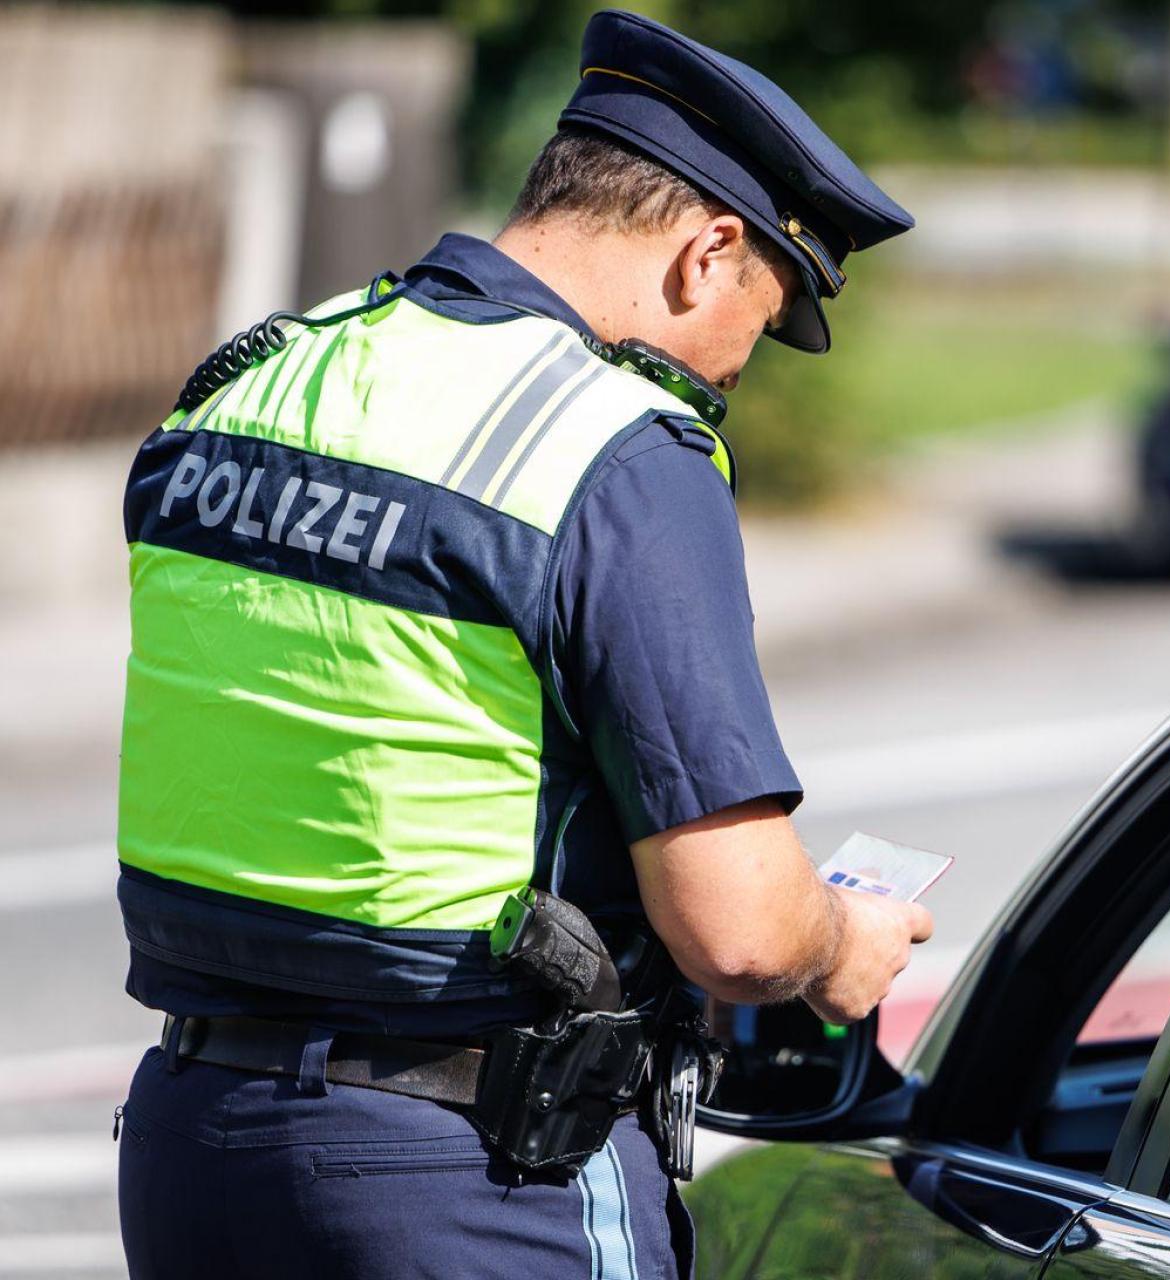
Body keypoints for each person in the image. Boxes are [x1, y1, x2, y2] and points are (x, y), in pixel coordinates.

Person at [113, 12, 930, 1278]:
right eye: (759, 326)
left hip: (194, 1146)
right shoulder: (615, 453)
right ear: (708, 254)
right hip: (472, 1176)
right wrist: (838, 942)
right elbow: (742, 932)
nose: (733, 373)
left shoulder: (258, 381)